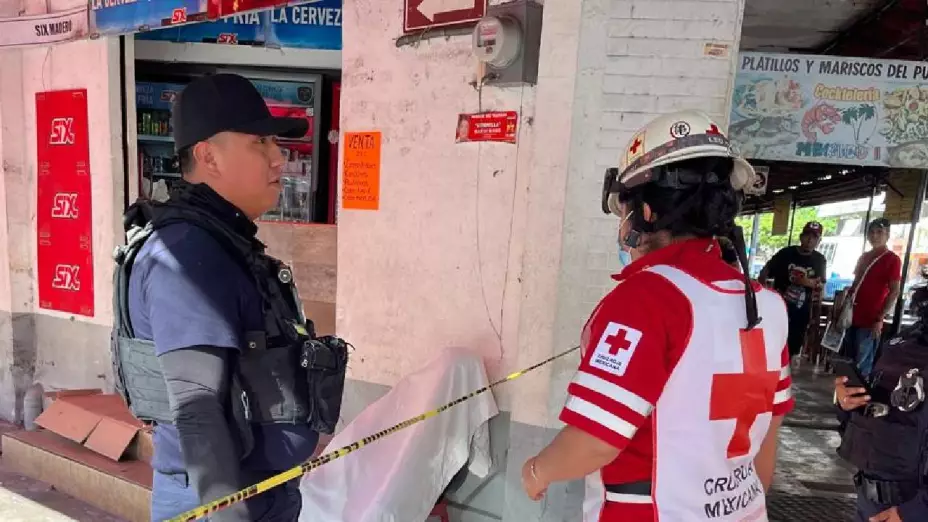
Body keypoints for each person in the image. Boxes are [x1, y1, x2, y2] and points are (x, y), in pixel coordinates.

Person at [521, 110, 793, 520]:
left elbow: (597, 439)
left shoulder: (647, 299)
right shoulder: (768, 305)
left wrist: (537, 470)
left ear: (644, 212)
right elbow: (767, 443)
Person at [110, 74, 348, 521]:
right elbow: (198, 410)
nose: (279, 157)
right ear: (208, 155)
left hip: (259, 495)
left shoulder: (219, 241)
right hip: (223, 502)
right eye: (260, 142)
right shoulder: (186, 253)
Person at [835, 284, 928, 522]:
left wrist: (914, 512)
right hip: (872, 497)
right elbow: (873, 409)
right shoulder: (904, 340)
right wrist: (849, 403)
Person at [842, 218, 902, 378]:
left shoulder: (892, 260)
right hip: (852, 316)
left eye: (879, 232)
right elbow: (856, 282)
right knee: (847, 361)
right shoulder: (864, 257)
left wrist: (880, 318)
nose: (874, 236)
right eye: (872, 232)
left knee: (863, 364)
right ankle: (846, 398)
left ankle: (860, 399)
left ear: (887, 235)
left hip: (870, 319)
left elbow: (894, 291)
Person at [758, 222, 827, 360]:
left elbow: (820, 284)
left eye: (814, 237)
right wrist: (762, 291)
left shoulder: (819, 260)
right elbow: (766, 270)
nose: (810, 240)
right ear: (801, 237)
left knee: (792, 347)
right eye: (807, 236)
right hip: (778, 308)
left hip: (801, 312)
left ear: (819, 241)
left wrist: (806, 282)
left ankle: (784, 374)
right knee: (771, 342)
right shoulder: (786, 253)